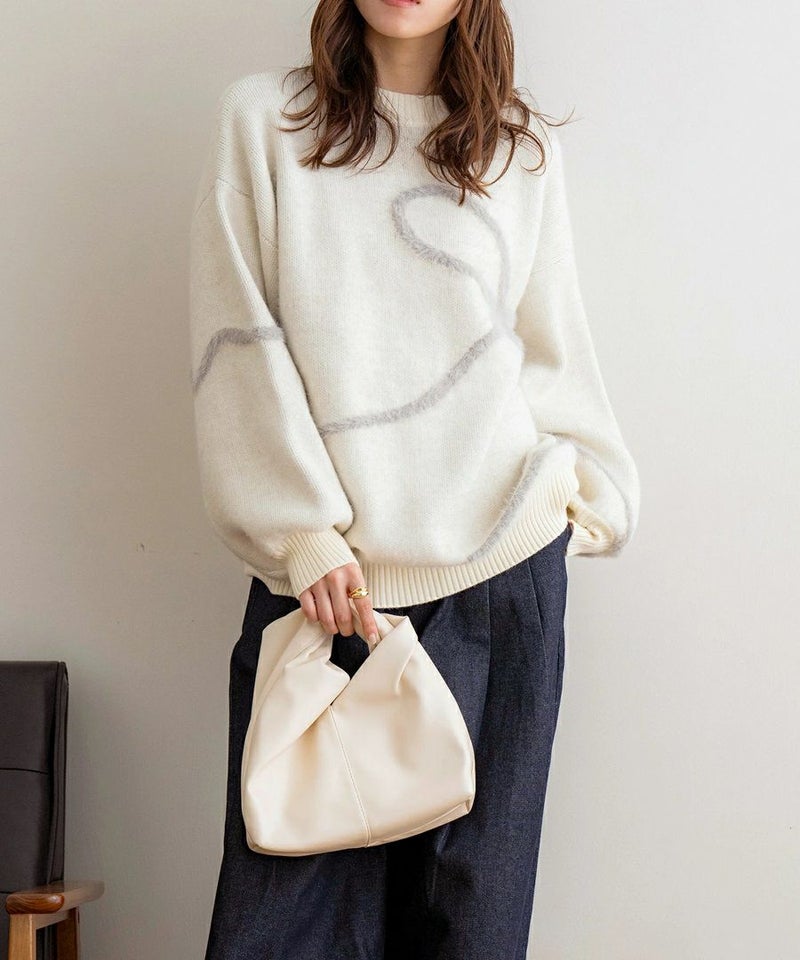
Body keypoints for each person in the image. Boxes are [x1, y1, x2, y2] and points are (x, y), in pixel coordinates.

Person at [189, 1, 640, 957]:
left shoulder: (518, 151)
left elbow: (550, 349)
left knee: (470, 933)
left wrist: (575, 507)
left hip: (502, 582)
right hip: (325, 595)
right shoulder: (266, 121)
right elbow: (235, 338)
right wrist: (298, 531)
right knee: (279, 932)